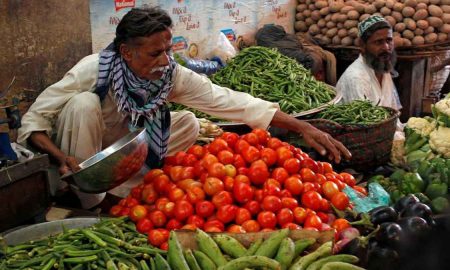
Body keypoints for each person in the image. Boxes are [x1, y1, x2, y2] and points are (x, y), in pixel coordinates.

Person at [17, 7, 351, 209]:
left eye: (166, 50)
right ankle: (92, 200)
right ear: (126, 52)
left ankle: (127, 188)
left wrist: (302, 126)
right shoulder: (93, 70)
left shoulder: (169, 74)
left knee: (188, 123)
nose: (165, 61)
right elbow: (34, 121)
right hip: (81, 152)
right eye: (154, 54)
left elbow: (229, 101)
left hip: (123, 146)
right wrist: (63, 160)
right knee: (83, 105)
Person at [336, 15, 402, 111]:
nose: (386, 47)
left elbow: (393, 112)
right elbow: (364, 123)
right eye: (379, 42)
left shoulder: (383, 68)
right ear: (362, 46)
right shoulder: (356, 78)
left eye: (389, 40)